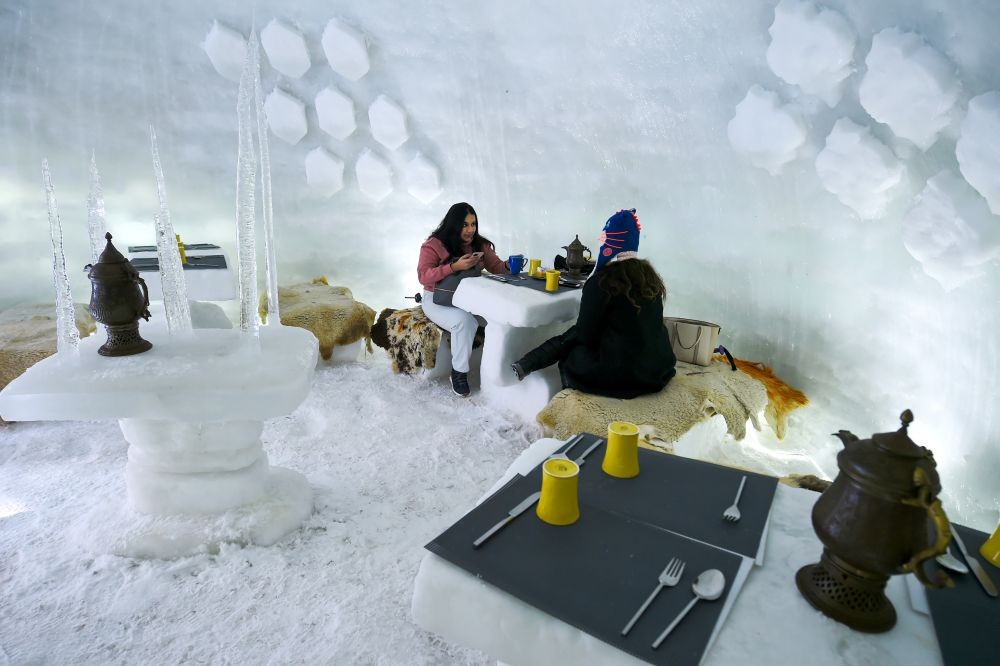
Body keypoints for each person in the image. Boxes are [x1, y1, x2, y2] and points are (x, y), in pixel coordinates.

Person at [511, 208, 676, 399]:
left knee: (573, 355)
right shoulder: (649, 277)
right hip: (656, 370)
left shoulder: (602, 282)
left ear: (610, 243)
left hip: (626, 377)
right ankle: (528, 363)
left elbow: (585, 336)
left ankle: (566, 394)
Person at [418, 202, 510, 397]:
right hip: (437, 299)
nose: (470, 230)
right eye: (465, 225)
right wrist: (453, 267)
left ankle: (499, 368)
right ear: (454, 224)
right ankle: (459, 373)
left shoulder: (479, 245)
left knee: (498, 317)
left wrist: (510, 265)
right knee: (464, 321)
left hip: (470, 299)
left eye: (473, 224)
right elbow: (423, 276)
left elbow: (497, 267)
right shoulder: (434, 245)